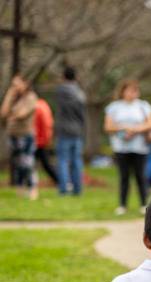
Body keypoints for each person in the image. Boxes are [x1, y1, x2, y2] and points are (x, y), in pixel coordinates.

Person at [104, 79, 151, 215]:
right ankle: (122, 205)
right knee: (124, 176)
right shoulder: (114, 107)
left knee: (141, 176)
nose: (132, 93)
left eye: (135, 90)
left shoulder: (143, 106)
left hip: (140, 147)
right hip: (121, 147)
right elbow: (108, 126)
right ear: (123, 91)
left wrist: (135, 130)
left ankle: (144, 204)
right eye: (129, 90)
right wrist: (123, 129)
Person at [0, 74, 39, 200]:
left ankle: (33, 188)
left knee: (27, 163)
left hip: (26, 135)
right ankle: (21, 190)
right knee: (17, 164)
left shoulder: (31, 97)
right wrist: (10, 95)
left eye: (17, 84)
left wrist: (12, 115)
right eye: (13, 85)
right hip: (13, 135)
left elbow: (22, 114)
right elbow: (3, 113)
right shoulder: (13, 98)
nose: (15, 87)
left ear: (25, 84)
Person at [54, 66, 86, 196]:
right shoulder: (80, 93)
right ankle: (77, 189)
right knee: (76, 161)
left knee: (62, 160)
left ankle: (63, 189)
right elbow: (82, 115)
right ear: (75, 77)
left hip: (63, 130)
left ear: (63, 77)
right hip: (77, 130)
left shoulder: (60, 91)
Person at [33, 97, 59, 185]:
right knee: (44, 163)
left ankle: (59, 180)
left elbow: (45, 124)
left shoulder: (38, 107)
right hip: (40, 139)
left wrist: (46, 139)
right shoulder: (43, 105)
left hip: (38, 141)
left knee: (45, 163)